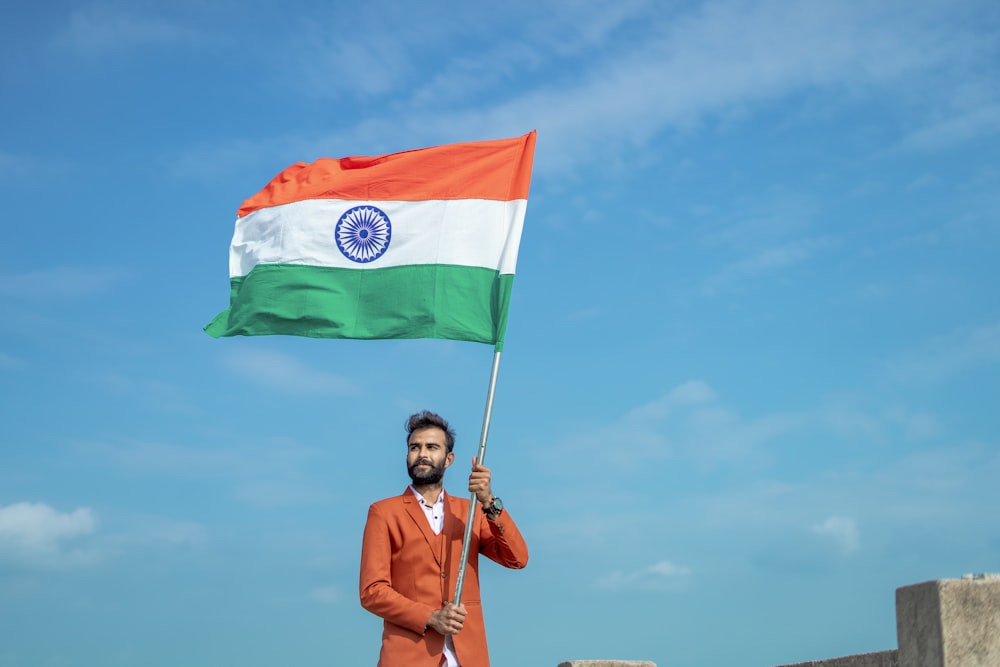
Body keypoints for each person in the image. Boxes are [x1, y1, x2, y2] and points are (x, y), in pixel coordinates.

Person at [359, 410, 529, 667]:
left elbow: (517, 558)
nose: (422, 454)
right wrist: (430, 616)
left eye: (432, 447)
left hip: (468, 657)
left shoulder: (469, 512)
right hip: (407, 658)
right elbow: (372, 591)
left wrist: (488, 501)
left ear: (448, 459)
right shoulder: (383, 513)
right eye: (415, 447)